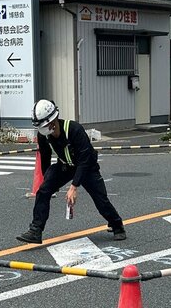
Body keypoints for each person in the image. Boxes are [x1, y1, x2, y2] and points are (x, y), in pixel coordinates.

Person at [16, 99, 126, 244]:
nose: (43, 129)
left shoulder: (74, 129)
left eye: (45, 125)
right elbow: (45, 158)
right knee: (43, 191)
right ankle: (35, 230)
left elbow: (85, 159)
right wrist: (48, 181)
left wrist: (74, 187)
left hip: (87, 167)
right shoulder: (43, 135)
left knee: (100, 200)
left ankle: (117, 225)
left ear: (53, 120)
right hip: (65, 165)